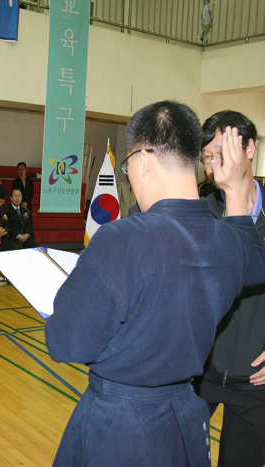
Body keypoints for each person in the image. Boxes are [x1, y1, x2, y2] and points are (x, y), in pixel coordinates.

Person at [44, 101, 265, 466]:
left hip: (122, 426)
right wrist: (238, 190)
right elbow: (253, 254)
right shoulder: (227, 241)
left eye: (128, 164)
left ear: (143, 160)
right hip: (184, 418)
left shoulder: (122, 239)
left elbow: (66, 342)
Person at [192, 110, 265, 467]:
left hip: (257, 385)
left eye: (224, 152)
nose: (216, 164)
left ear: (250, 148)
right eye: (209, 156)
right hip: (195, 375)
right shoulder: (196, 218)